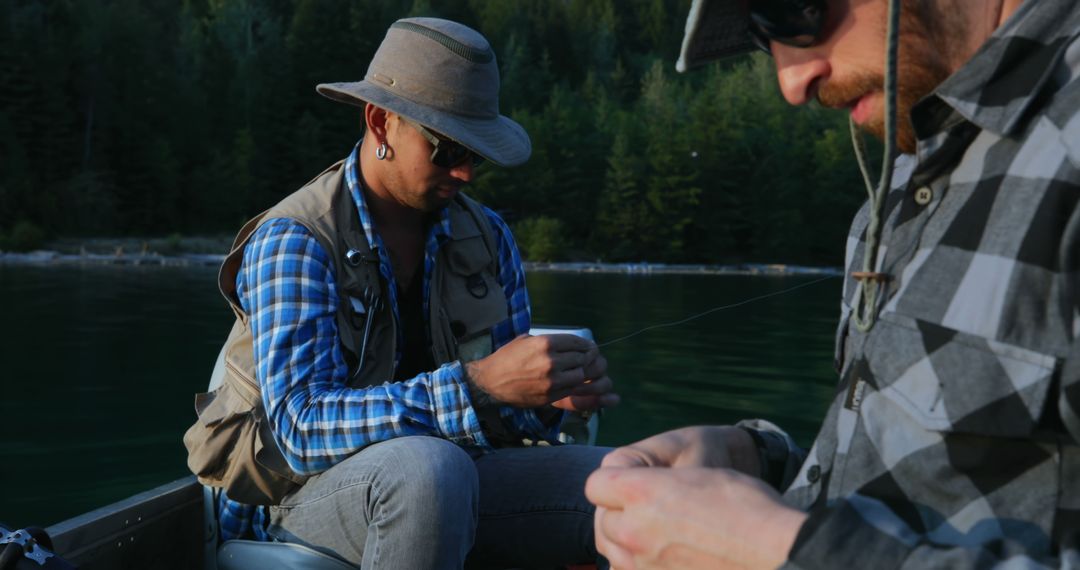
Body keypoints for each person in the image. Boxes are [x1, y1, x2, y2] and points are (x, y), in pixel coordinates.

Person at [586, 0, 1080, 567]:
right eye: (760, 35)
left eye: (792, 13)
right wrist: (758, 464)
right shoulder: (904, 164)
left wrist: (775, 552)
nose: (792, 81)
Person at [183, 17, 618, 569]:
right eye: (448, 148)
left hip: (452, 480)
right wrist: (479, 383)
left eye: (477, 153)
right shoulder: (297, 240)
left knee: (626, 484)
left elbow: (504, 425)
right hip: (290, 499)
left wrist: (547, 400)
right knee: (431, 470)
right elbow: (299, 428)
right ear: (381, 122)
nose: (466, 173)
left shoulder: (490, 238)